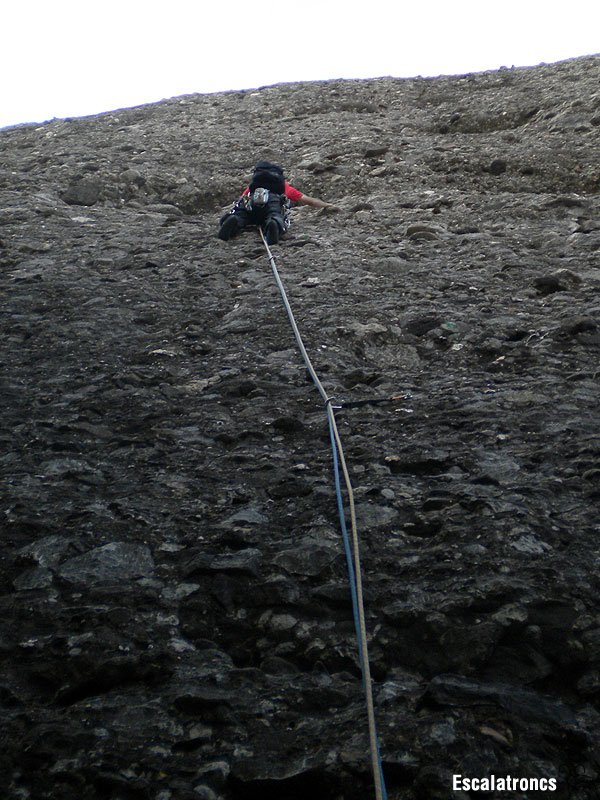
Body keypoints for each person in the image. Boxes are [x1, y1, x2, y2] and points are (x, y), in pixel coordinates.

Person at [218, 160, 338, 245]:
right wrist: (327, 205)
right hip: (273, 202)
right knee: (275, 215)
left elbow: (241, 200)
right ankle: (273, 224)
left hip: (253, 201)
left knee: (242, 214)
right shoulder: (286, 188)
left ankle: (235, 221)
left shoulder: (253, 188)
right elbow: (309, 201)